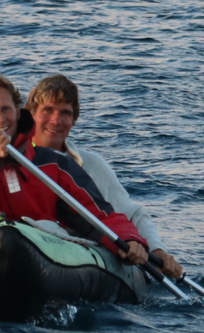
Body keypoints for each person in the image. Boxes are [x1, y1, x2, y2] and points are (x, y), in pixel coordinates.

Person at [0, 72, 151, 265]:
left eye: (6, 109)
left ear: (17, 111)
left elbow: (98, 215)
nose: (0, 118)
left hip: (39, 259)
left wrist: (129, 239)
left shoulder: (55, 164)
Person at [24, 74, 186, 280]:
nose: (56, 120)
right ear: (31, 115)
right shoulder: (11, 160)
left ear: (74, 120)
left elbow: (132, 215)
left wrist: (157, 250)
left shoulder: (91, 165)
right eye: (48, 110)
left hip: (78, 269)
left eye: (65, 113)